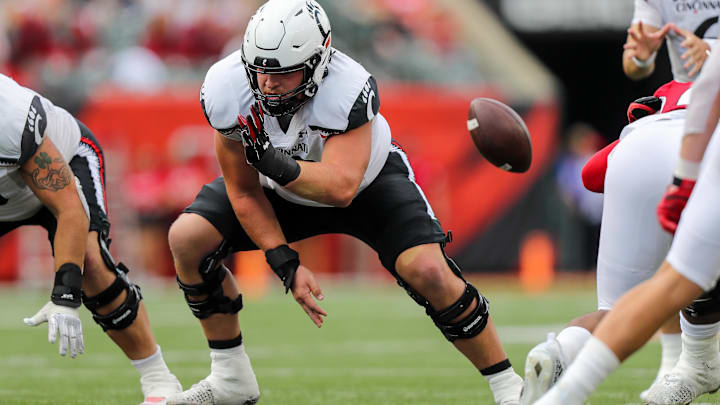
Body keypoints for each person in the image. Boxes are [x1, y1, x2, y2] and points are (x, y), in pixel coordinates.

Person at [165, 1, 523, 404]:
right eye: (261, 70)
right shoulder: (226, 88)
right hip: (276, 189)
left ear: (318, 62)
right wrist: (284, 260)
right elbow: (244, 190)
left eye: (282, 73)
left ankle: (508, 387)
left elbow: (341, 188)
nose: (267, 84)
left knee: (428, 271)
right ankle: (231, 379)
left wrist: (274, 161)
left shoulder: (347, 85)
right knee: (187, 239)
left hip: (366, 183)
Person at [531, 38, 720, 405]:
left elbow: (591, 173)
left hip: (637, 152)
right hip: (706, 149)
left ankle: (564, 351)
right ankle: (695, 362)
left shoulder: (668, 93)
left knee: (619, 310)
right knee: (693, 274)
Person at [0, 72, 182, 405]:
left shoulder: (9, 115)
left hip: (65, 165)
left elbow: (69, 208)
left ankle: (158, 379)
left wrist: (65, 292)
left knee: (93, 267)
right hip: (6, 194)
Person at [623, 0, 717, 83]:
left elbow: (709, 50)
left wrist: (711, 49)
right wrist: (642, 60)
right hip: (687, 93)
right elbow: (631, 67)